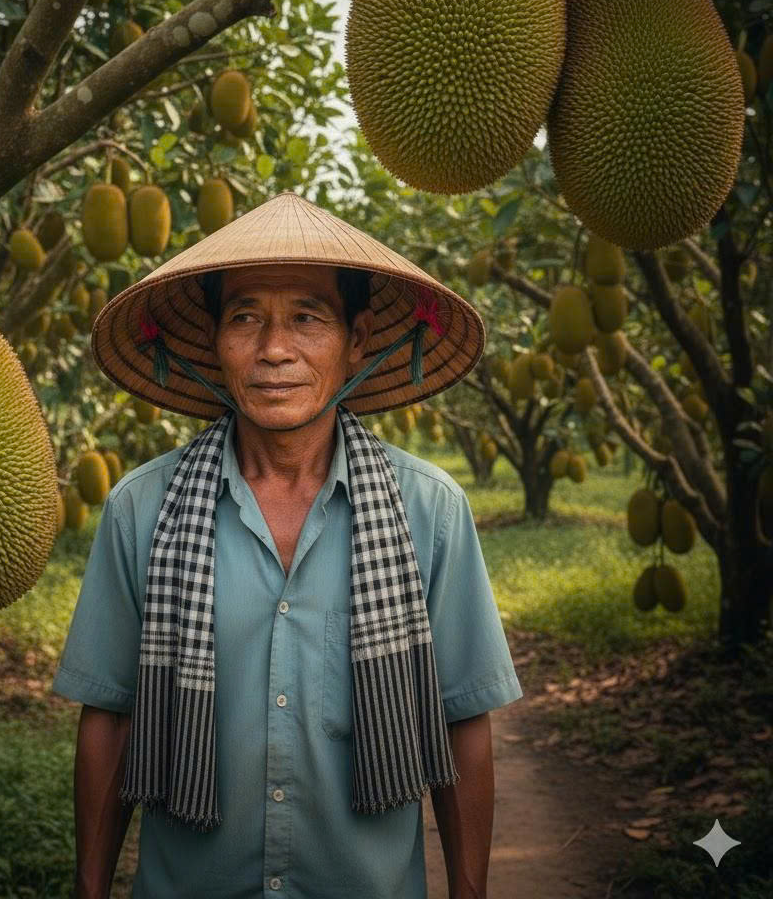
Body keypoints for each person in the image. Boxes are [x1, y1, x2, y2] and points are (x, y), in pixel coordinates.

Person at [53, 191, 523, 899]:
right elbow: (112, 718)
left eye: (307, 317)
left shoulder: (430, 510)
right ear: (215, 339)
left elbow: (462, 720)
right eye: (245, 318)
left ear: (358, 339)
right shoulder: (141, 509)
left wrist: (470, 891)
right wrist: (89, 890)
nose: (274, 349)